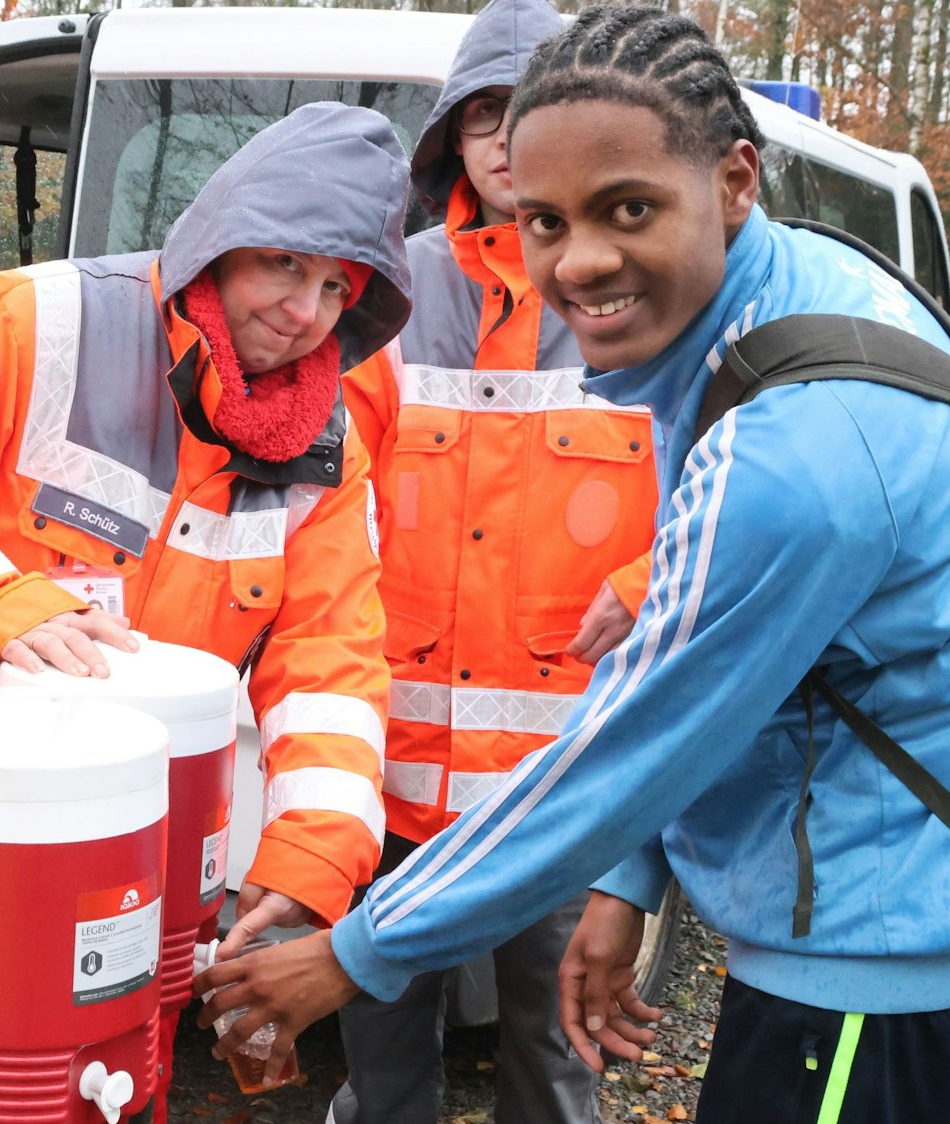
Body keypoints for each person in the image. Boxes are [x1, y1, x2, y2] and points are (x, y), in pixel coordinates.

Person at [196, 8, 950, 1124]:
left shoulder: (802, 448)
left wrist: (351, 953)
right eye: (546, 219)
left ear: (736, 178)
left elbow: (642, 735)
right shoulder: (774, 299)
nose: (580, 262)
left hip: (876, 969)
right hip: (854, 924)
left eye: (628, 208)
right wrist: (633, 871)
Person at [0, 102, 409, 949]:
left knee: (94, 1059)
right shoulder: (38, 320)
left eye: (336, 287)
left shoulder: (327, 450)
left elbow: (330, 671)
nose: (306, 311)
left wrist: (314, 861)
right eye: (285, 264)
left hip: (130, 841)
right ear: (221, 244)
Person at [333, 0, 656, 1118]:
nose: (507, 137)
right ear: (454, 144)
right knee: (378, 1058)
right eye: (482, 115)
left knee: (554, 1059)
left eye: (531, 110)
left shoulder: (639, 298)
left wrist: (639, 588)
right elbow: (322, 504)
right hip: (389, 776)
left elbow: (722, 502)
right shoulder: (386, 291)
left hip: (564, 787)